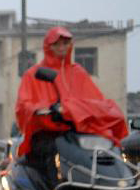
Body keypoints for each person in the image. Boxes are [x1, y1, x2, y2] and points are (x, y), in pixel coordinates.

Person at [15, 26, 127, 163]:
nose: (61, 47)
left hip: (80, 133)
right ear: (48, 46)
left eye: (65, 43)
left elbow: (95, 101)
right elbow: (23, 106)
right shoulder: (34, 74)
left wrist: (74, 109)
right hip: (48, 134)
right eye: (56, 44)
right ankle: (54, 184)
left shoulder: (77, 72)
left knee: (108, 154)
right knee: (51, 159)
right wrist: (42, 110)